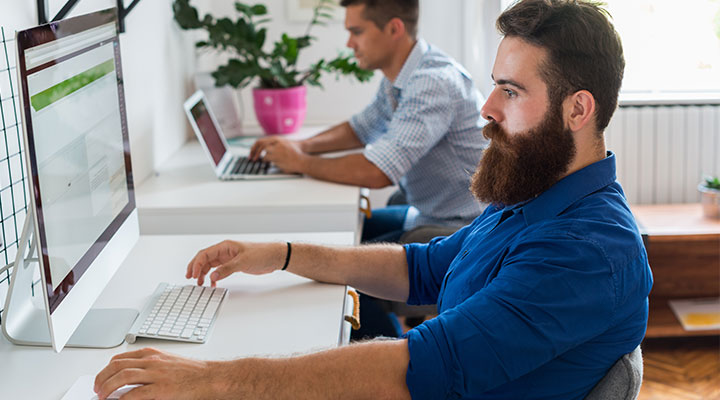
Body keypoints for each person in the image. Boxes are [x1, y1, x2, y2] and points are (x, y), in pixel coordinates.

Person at [94, 1, 653, 399]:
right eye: (494, 84)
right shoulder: (538, 188)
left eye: (511, 91)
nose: (486, 107)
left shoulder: (584, 249)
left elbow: (420, 367)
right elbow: (423, 267)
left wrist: (212, 379)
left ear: (578, 109)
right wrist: (282, 254)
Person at [249, 0, 488, 243]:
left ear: (394, 29)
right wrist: (301, 146)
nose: (349, 43)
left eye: (357, 32)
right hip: (428, 216)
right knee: (332, 231)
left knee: (333, 251)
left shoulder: (431, 83)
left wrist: (300, 162)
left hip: (462, 229)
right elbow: (361, 129)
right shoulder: (402, 75)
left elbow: (377, 171)